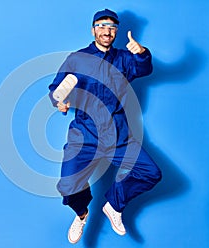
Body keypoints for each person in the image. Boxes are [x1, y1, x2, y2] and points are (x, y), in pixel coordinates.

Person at [48, 9, 162, 244]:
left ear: (116, 31)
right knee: (68, 186)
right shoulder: (77, 59)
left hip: (118, 134)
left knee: (151, 173)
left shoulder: (124, 59)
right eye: (101, 26)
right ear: (93, 30)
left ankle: (113, 205)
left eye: (111, 27)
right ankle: (82, 214)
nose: (106, 31)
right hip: (85, 134)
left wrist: (141, 53)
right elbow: (56, 89)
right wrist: (59, 102)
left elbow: (145, 68)